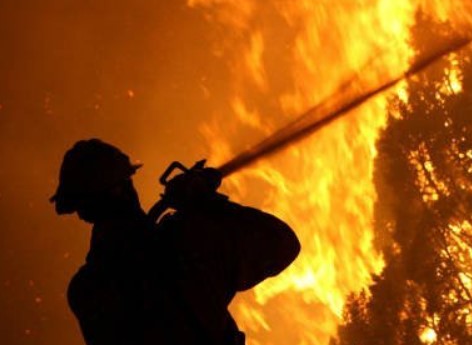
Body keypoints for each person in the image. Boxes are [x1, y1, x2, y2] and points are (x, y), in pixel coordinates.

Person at [52, 139, 300, 345]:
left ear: (82, 212)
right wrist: (204, 201)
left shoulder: (86, 290)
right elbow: (282, 244)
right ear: (123, 189)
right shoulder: (186, 240)